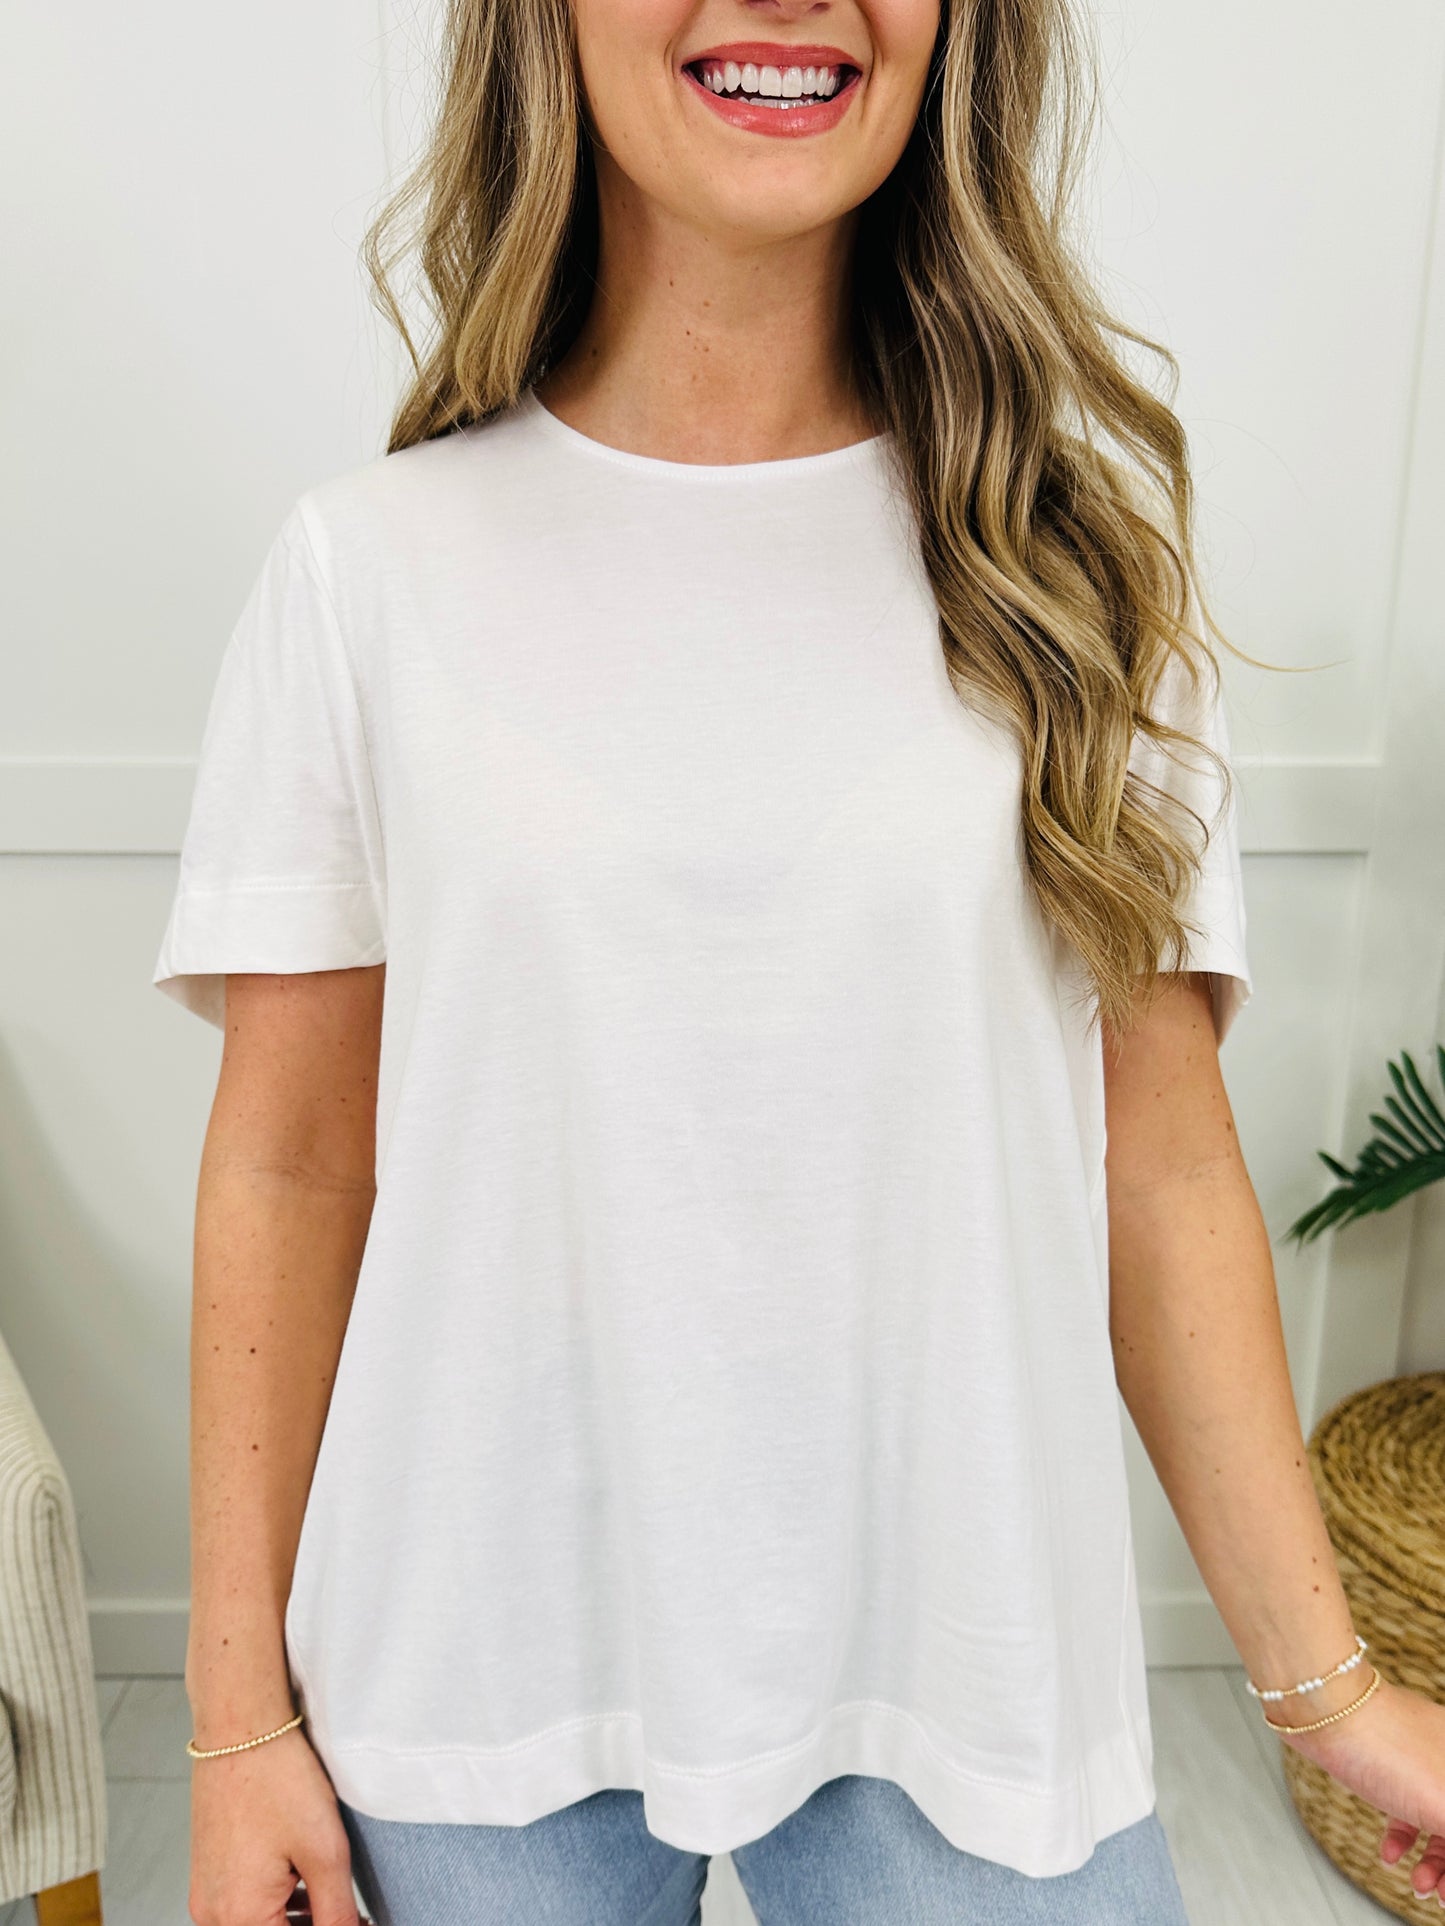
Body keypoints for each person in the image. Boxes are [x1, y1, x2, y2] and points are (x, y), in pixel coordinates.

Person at [153, 0, 1445, 1921]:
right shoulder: (368, 573)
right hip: (468, 1679)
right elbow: (289, 1163)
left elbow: (1159, 1175)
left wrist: (1331, 1690)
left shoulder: (1080, 583)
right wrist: (234, 1719)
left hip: (968, 1660)